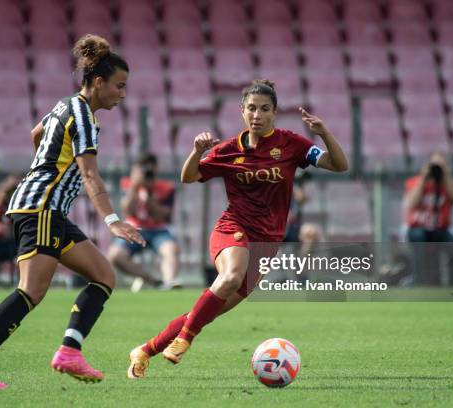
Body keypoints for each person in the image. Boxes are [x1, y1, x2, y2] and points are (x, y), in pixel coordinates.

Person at [0, 34, 145, 389]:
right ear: (99, 82)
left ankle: (69, 352)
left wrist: (46, 166)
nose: (122, 94)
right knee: (32, 290)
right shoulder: (84, 117)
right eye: (119, 86)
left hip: (47, 209)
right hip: (40, 208)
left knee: (104, 274)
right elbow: (90, 174)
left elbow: (36, 133)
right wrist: (112, 220)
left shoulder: (65, 105)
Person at [127, 79, 348, 379]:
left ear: (275, 112)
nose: (258, 115)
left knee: (205, 313)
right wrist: (196, 151)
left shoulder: (292, 144)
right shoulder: (229, 150)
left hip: (266, 243)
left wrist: (324, 134)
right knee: (230, 277)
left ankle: (144, 351)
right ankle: (185, 340)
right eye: (252, 109)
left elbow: (339, 165)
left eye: (265, 109)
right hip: (233, 228)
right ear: (242, 111)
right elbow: (188, 176)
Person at [108, 152, 179, 290]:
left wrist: (150, 197)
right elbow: (127, 211)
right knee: (115, 255)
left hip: (159, 230)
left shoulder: (166, 188)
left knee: (170, 250)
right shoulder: (128, 185)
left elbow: (163, 216)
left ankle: (169, 283)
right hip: (135, 228)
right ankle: (150, 279)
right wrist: (134, 188)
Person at [404, 152, 453, 285]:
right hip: (418, 228)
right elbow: (412, 203)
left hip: (440, 229)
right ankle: (419, 280)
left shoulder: (447, 184)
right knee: (419, 237)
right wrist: (424, 177)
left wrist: (445, 173)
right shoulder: (415, 181)